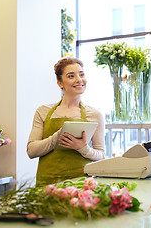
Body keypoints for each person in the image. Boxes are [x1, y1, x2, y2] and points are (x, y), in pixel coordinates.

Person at [27, 57, 105, 187]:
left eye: (81, 74)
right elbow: (31, 151)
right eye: (71, 76)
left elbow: (101, 154)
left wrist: (83, 149)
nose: (79, 80)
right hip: (47, 183)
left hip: (81, 184)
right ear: (60, 82)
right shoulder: (43, 111)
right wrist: (56, 138)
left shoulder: (95, 114)